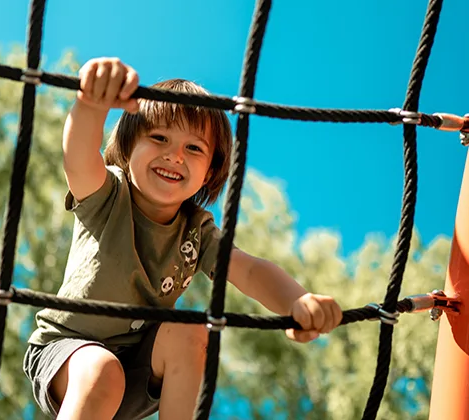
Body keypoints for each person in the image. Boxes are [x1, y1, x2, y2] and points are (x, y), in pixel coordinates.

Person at [23, 57, 343, 420]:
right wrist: (91, 104)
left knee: (191, 331)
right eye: (159, 137)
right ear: (128, 149)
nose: (175, 155)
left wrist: (297, 302)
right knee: (101, 371)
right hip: (68, 353)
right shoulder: (109, 195)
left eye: (194, 149)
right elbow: (78, 159)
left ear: (209, 173)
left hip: (139, 371)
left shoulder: (197, 231)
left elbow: (249, 271)